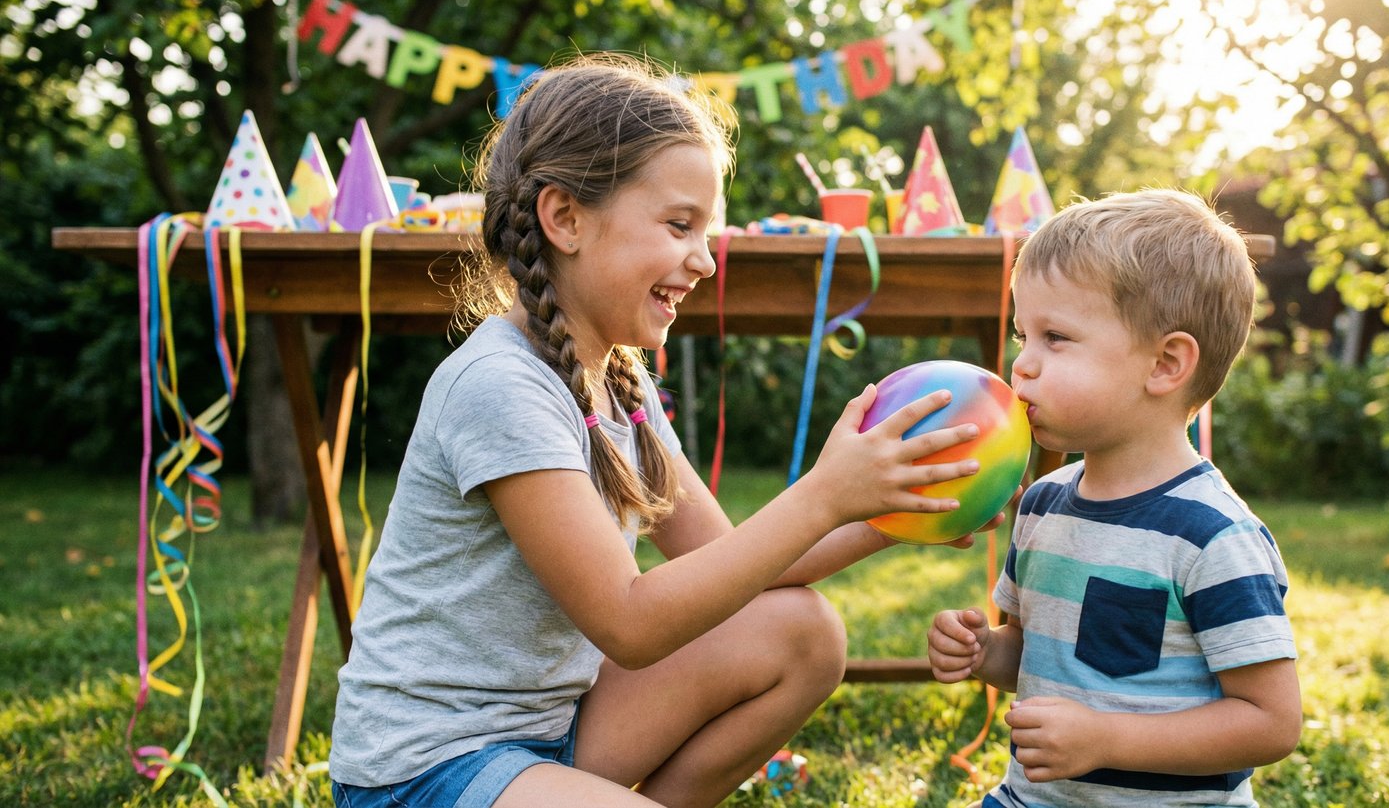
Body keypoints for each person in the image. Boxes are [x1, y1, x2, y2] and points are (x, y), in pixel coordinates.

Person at [329, 53, 996, 808]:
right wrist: (821, 494)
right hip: (428, 767)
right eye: (680, 225)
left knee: (802, 632)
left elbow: (734, 564)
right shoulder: (499, 385)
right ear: (565, 218)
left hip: (556, 729)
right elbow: (630, 623)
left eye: (705, 231)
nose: (704, 260)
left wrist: (891, 508)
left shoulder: (619, 379)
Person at [927, 189, 1301, 807]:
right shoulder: (1042, 504)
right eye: (1024, 336)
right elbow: (1036, 656)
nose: (1023, 366)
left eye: (1056, 338)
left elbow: (1270, 721)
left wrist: (1107, 738)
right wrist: (985, 652)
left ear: (1165, 364)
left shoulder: (1211, 535)